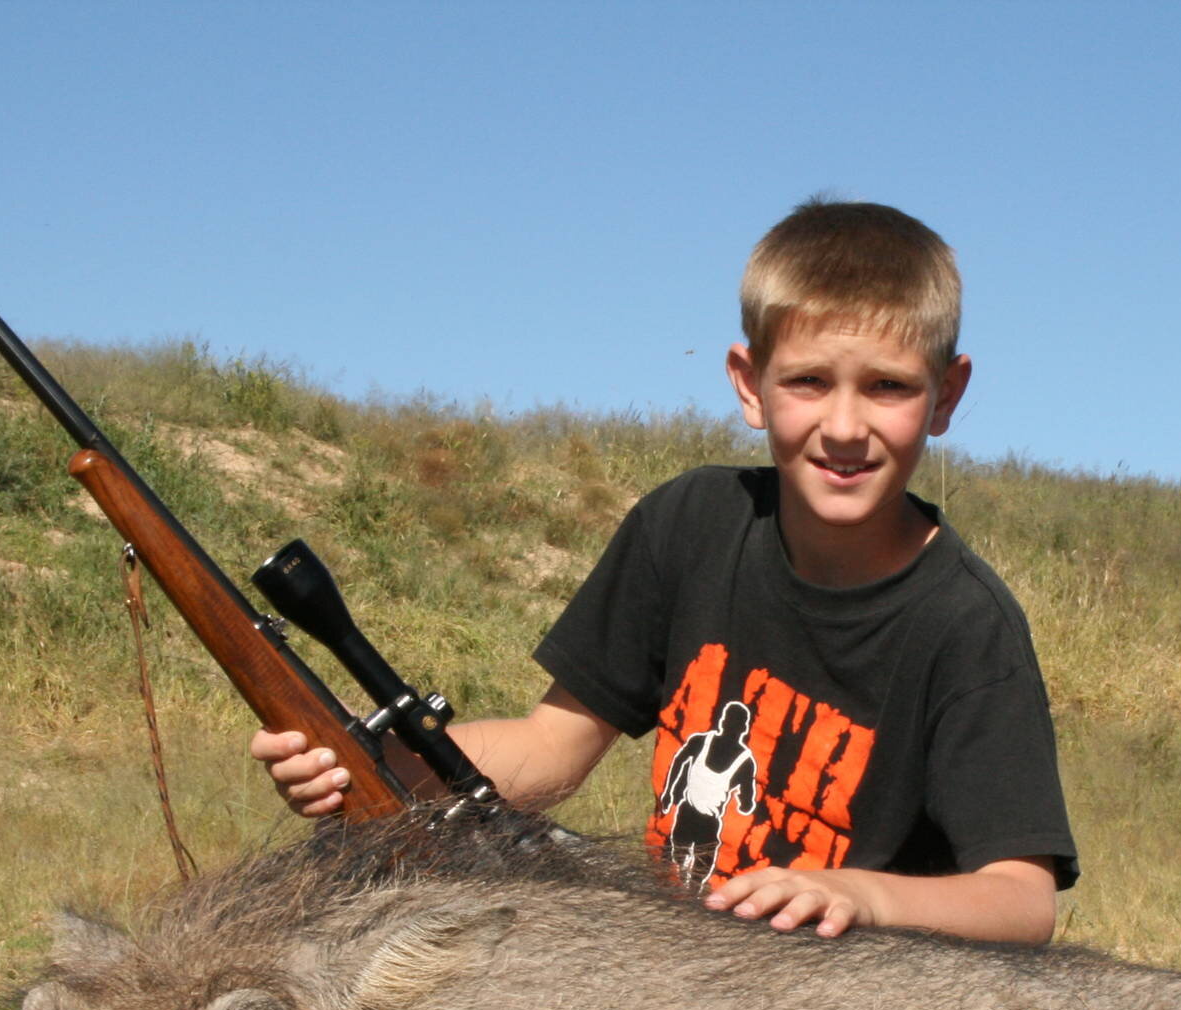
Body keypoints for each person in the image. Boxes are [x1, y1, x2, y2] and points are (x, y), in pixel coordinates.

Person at [253, 199, 1076, 943]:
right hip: (682, 983)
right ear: (750, 385)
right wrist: (372, 770)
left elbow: (1022, 899)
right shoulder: (689, 525)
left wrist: (864, 897)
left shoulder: (966, 625)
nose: (845, 425)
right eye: (809, 381)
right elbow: (551, 748)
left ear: (946, 396)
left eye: (888, 387)